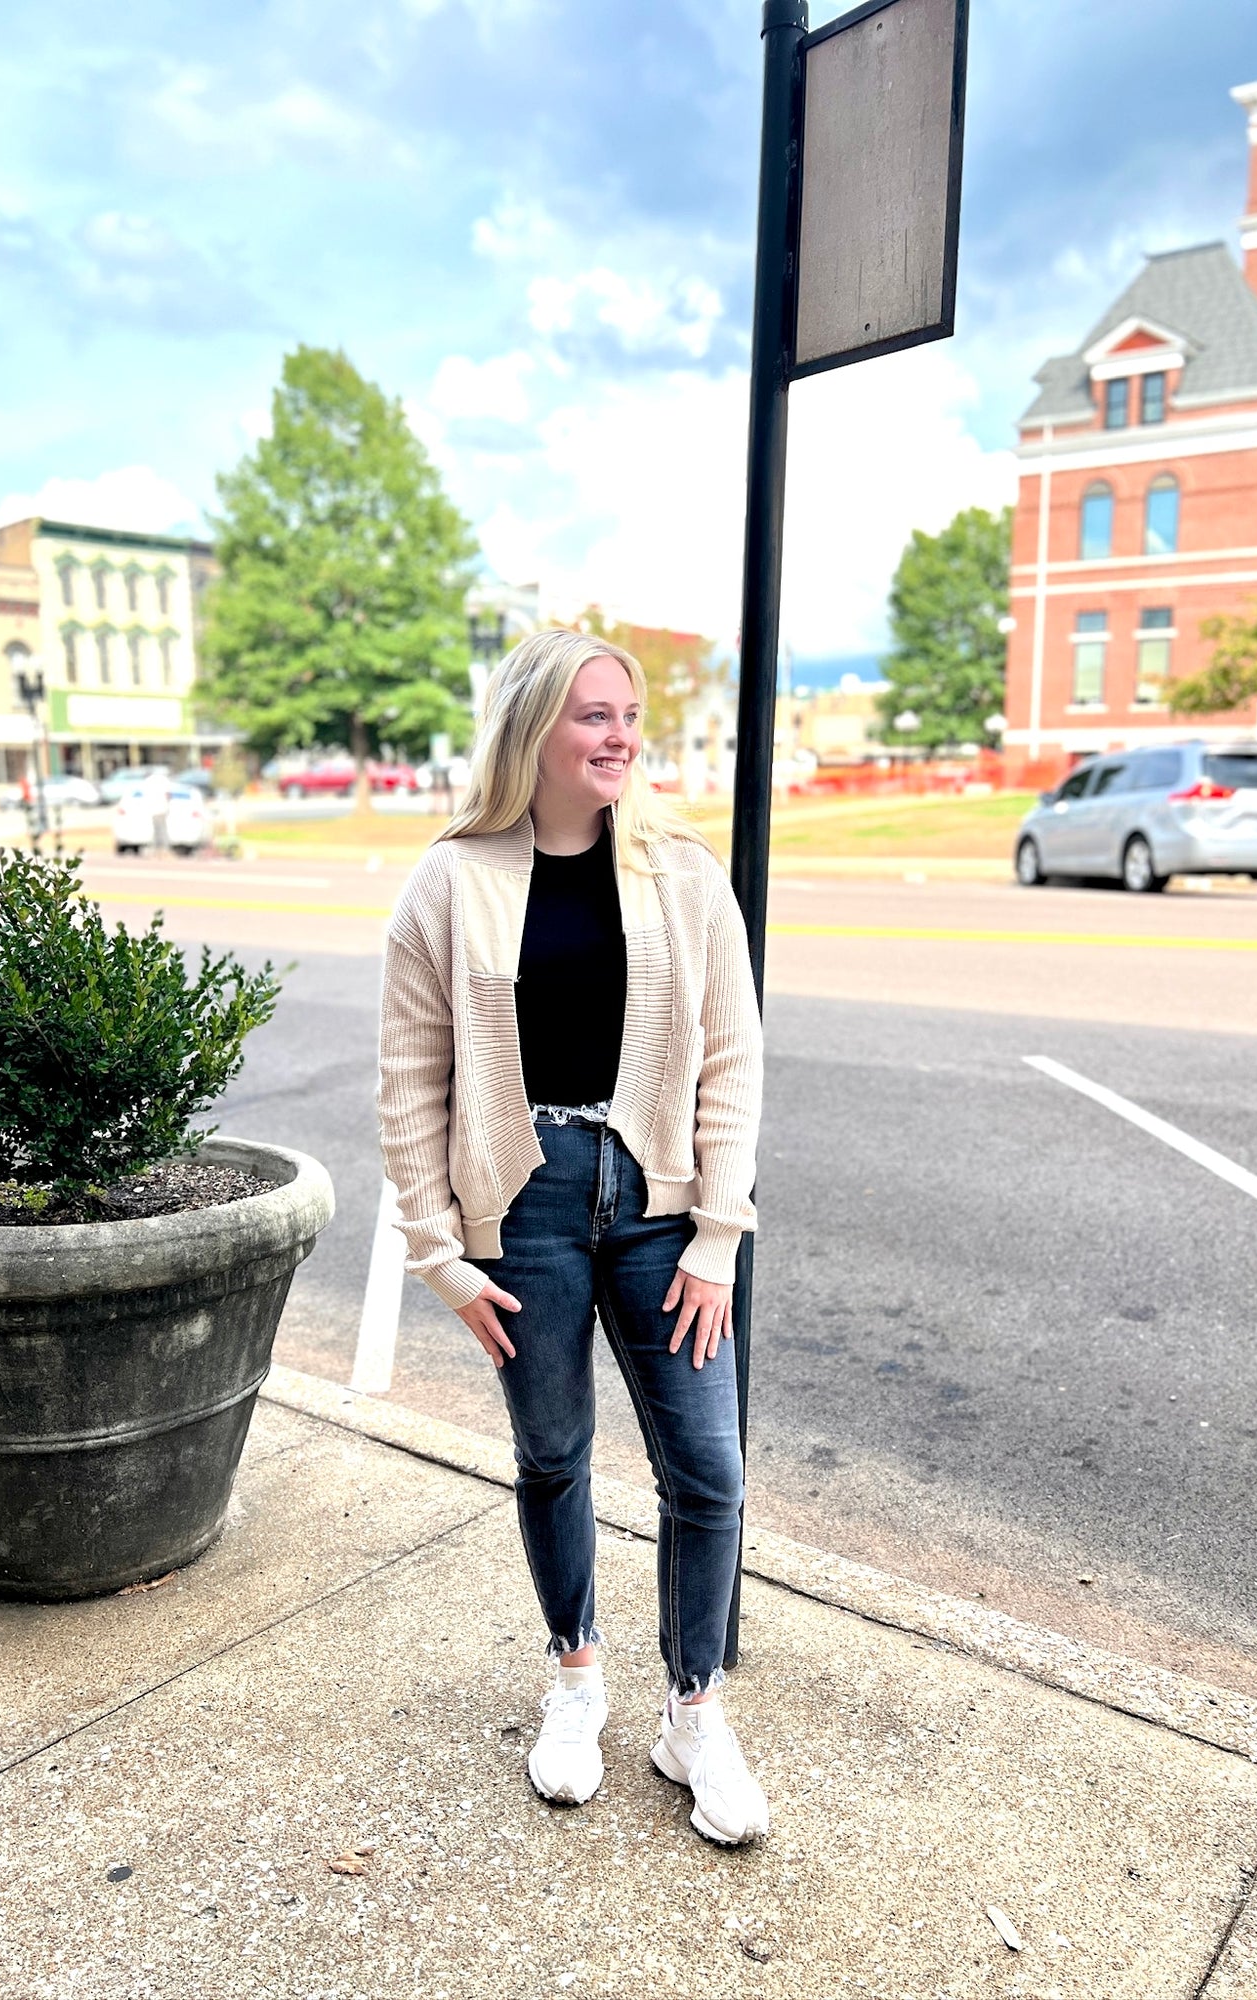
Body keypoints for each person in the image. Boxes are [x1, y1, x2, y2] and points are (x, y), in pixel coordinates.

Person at [376, 628, 768, 1845]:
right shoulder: (449, 880)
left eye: (630, 713)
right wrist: (438, 1253)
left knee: (708, 1472)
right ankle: (576, 1678)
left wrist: (718, 1230)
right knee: (552, 1454)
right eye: (593, 714)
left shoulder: (682, 871)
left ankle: (693, 1713)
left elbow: (730, 1056)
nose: (621, 735)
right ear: (533, 729)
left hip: (659, 1202)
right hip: (526, 1203)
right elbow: (410, 1079)